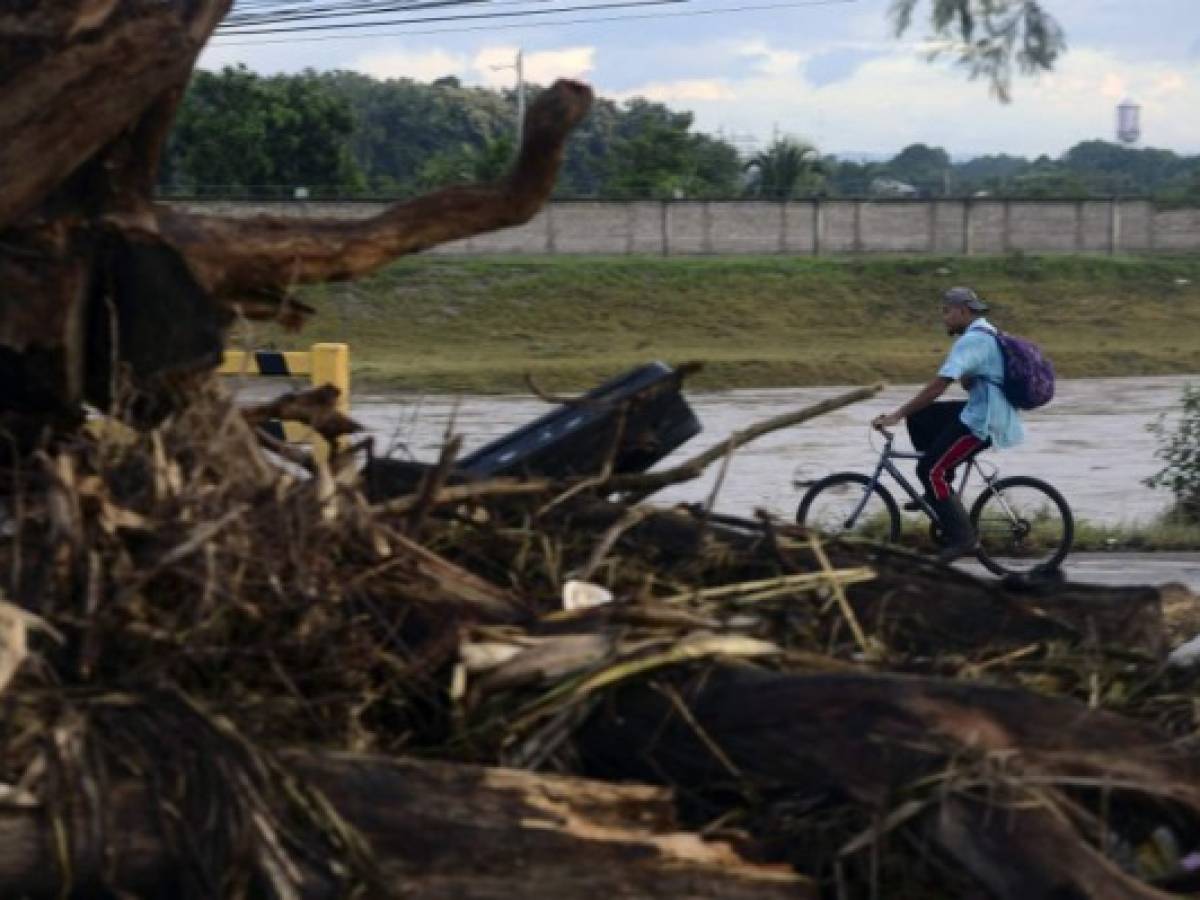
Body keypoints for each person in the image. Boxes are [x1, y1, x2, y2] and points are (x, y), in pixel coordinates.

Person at [871, 287, 1024, 563]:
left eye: (946, 311)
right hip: (982, 410)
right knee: (922, 416)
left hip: (983, 422)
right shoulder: (988, 332)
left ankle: (964, 538)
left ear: (962, 311)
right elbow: (970, 381)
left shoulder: (972, 341)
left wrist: (897, 414)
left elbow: (938, 386)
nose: (944, 317)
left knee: (930, 470)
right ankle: (938, 492)